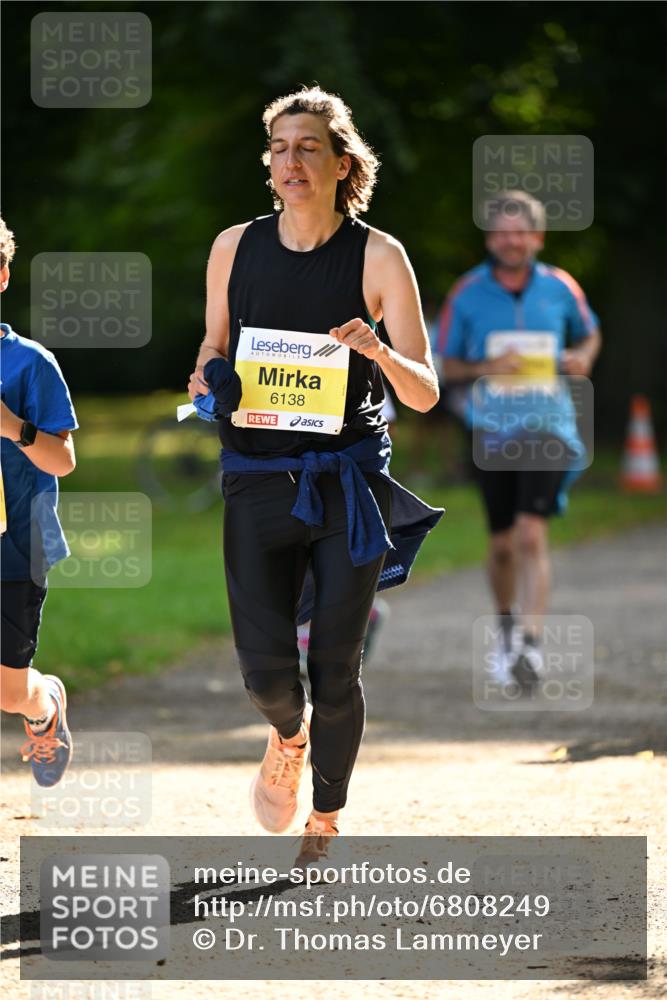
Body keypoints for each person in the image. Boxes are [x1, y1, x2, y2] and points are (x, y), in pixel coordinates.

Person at [187, 86, 441, 869]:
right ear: (269, 164)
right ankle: (286, 736)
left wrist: (376, 352)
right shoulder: (234, 246)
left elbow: (424, 390)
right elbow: (208, 352)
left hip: (347, 485)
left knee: (336, 666)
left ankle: (325, 816)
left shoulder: (377, 256)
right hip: (256, 478)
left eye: (307, 148)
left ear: (341, 164)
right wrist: (209, 383)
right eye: (279, 148)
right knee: (267, 673)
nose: (291, 161)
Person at [438, 191, 601, 691]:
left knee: (532, 533)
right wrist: (486, 367)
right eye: (502, 232)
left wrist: (583, 358)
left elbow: (590, 333)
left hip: (548, 424)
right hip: (491, 429)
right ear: (491, 239)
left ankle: (530, 640)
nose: (511, 240)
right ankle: (506, 628)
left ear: (537, 236)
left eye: (520, 232)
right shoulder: (466, 294)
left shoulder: (560, 287)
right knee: (503, 543)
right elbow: (444, 364)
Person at [0, 216, 78, 785]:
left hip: (16, 543)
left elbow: (62, 461)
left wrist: (11, 427)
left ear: (2, 276)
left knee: (9, 694)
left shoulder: (30, 362)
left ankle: (45, 702)